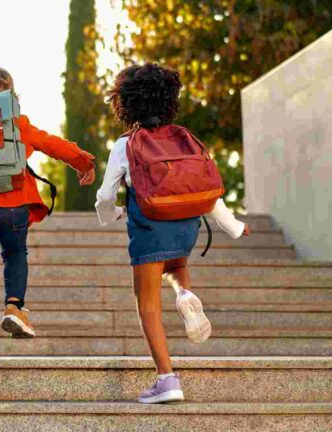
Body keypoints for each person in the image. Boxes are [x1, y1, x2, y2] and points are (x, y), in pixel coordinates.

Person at [95, 63, 250, 404]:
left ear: (125, 103)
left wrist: (111, 214)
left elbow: (106, 195)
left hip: (150, 225)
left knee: (147, 304)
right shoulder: (184, 137)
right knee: (175, 266)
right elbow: (207, 189)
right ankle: (184, 295)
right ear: (170, 100)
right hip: (185, 224)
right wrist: (235, 226)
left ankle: (166, 380)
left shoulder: (126, 144)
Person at [0, 63, 97, 401]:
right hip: (15, 203)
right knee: (15, 252)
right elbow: (49, 143)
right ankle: (14, 307)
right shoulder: (15, 122)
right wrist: (83, 162)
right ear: (8, 92)